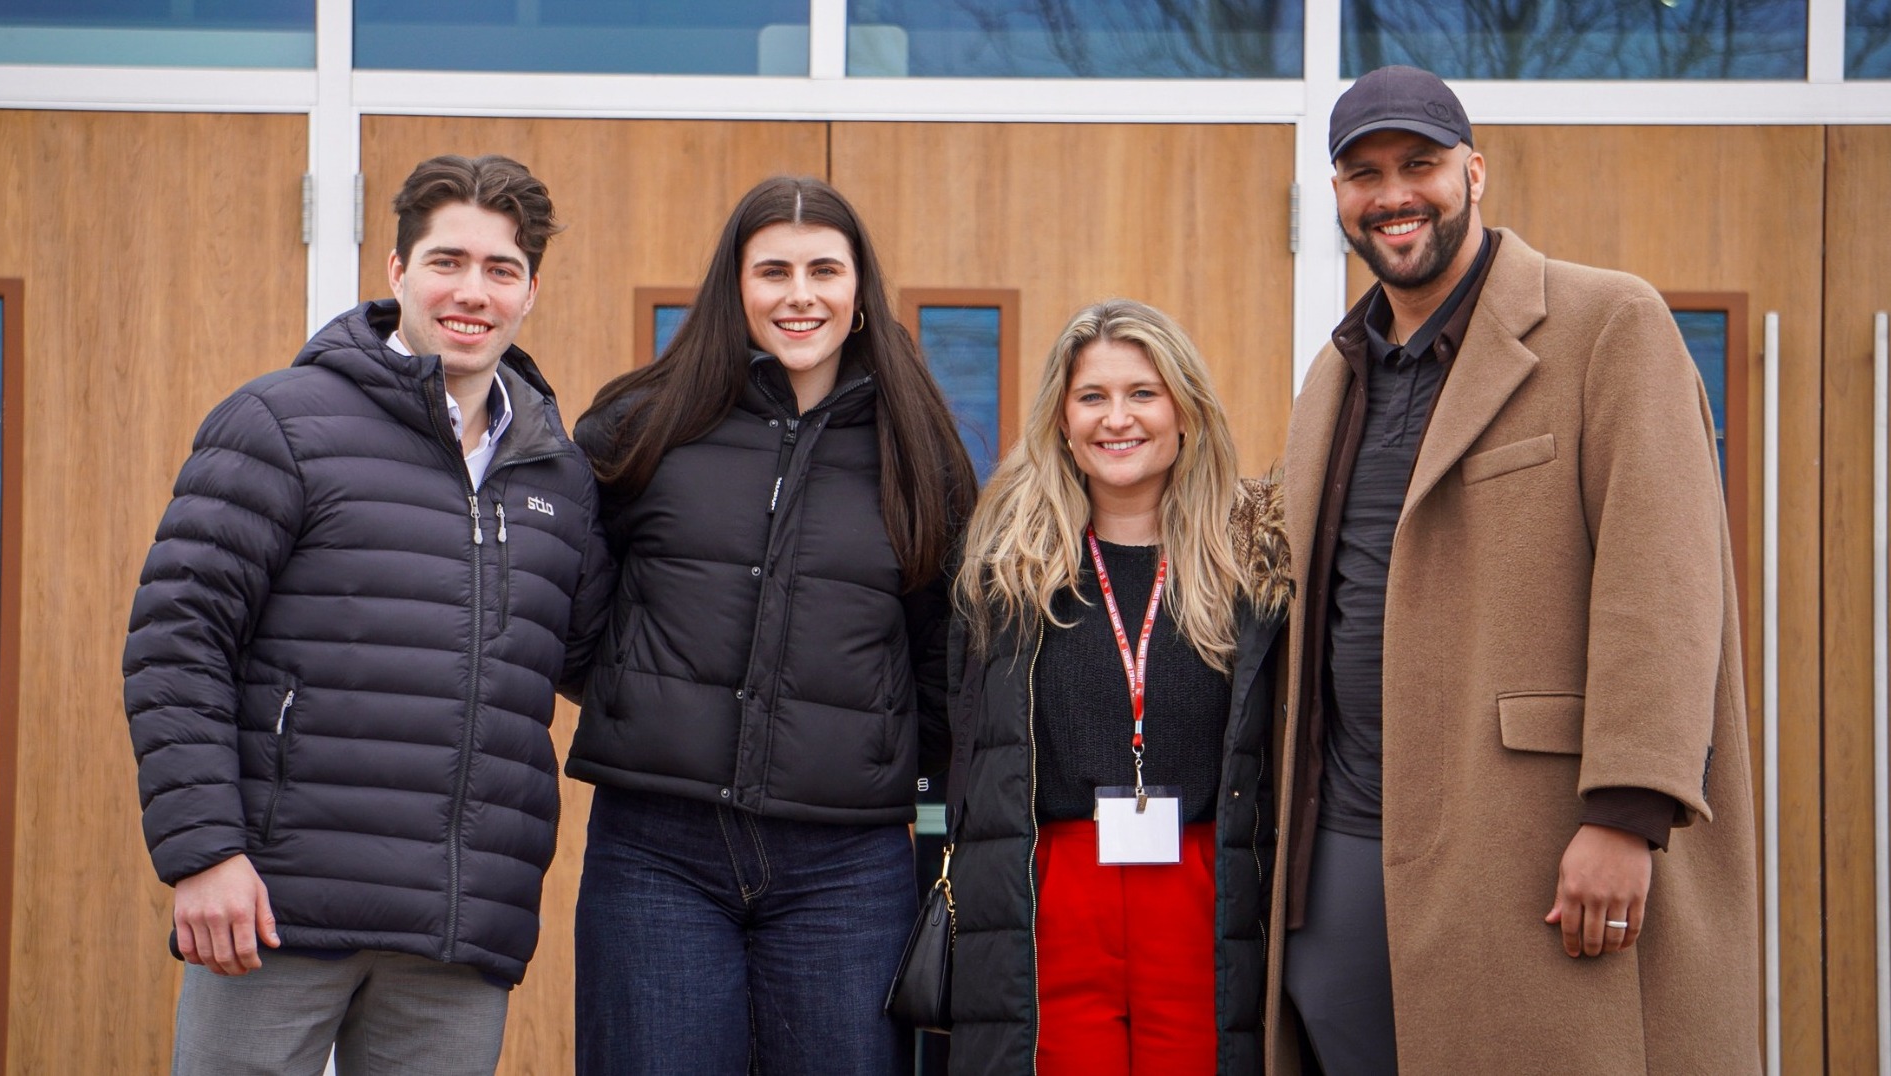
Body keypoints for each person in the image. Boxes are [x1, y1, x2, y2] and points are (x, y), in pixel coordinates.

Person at [1270, 65, 1761, 1073]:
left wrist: (1626, 809)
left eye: (1420, 164)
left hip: (1534, 835)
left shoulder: (1605, 322)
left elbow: (1664, 585)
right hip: (1342, 847)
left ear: (1475, 172)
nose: (1392, 193)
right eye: (1362, 173)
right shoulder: (1333, 372)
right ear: (1335, 198)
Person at [123, 154, 611, 1074]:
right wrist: (204, 853)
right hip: (272, 908)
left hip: (459, 931)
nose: (473, 292)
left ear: (531, 291)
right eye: (446, 261)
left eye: (501, 270)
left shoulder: (560, 475)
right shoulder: (282, 423)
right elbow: (176, 641)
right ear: (396, 273)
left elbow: (598, 659)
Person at [567, 175, 978, 1075]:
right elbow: (568, 600)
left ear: (860, 290)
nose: (801, 294)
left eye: (825, 269)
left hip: (846, 860)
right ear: (735, 287)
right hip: (655, 851)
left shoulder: (917, 445)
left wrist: (886, 757)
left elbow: (947, 648)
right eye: (774, 271)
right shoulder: (644, 422)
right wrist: (641, 700)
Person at [944, 299, 1289, 1074]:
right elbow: (960, 745)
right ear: (1062, 421)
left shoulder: (1252, 567)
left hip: (1202, 888)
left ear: (1184, 410)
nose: (1116, 418)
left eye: (1143, 392)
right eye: (1092, 396)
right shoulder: (1006, 570)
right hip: (1053, 890)